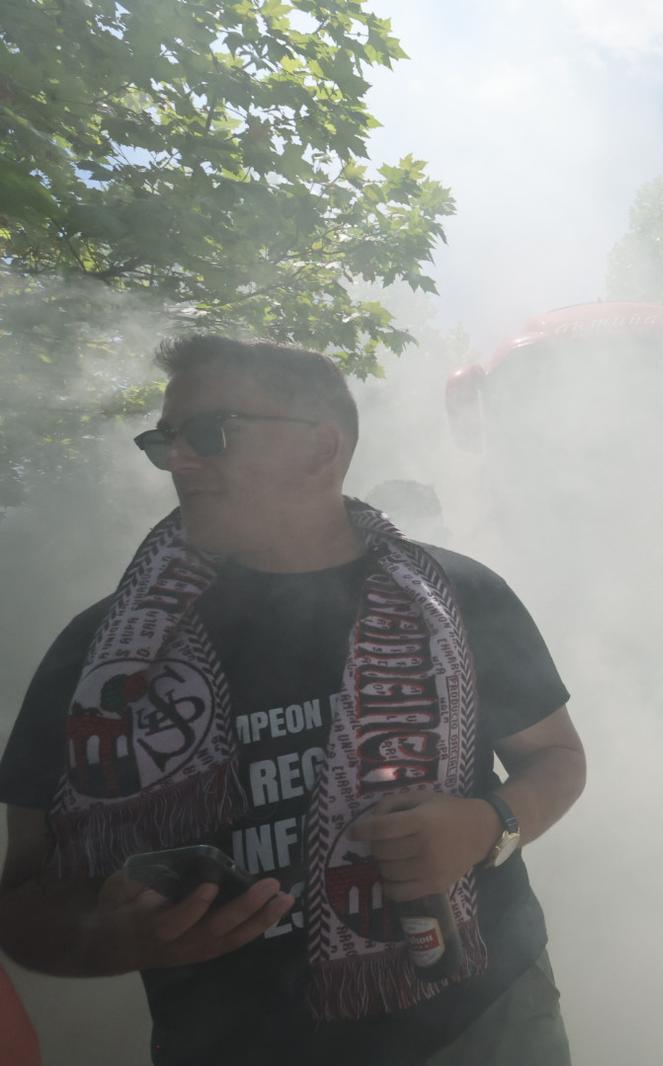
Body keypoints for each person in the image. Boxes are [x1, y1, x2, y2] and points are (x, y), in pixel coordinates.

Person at [0, 337, 585, 1065]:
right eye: (166, 440)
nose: (179, 460)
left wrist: (487, 825)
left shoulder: (456, 598)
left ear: (320, 449)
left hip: (482, 1018)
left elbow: (557, 757)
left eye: (211, 433)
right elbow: (20, 899)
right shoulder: (100, 656)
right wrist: (103, 939)